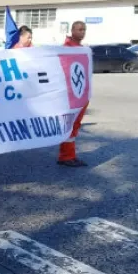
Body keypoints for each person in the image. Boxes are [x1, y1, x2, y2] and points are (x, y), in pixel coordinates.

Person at [58, 21, 89, 167]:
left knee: (75, 125)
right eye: (79, 29)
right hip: (71, 94)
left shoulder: (81, 49)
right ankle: (66, 156)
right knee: (70, 124)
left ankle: (70, 155)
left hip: (80, 93)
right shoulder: (67, 49)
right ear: (72, 30)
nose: (82, 32)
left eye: (84, 29)